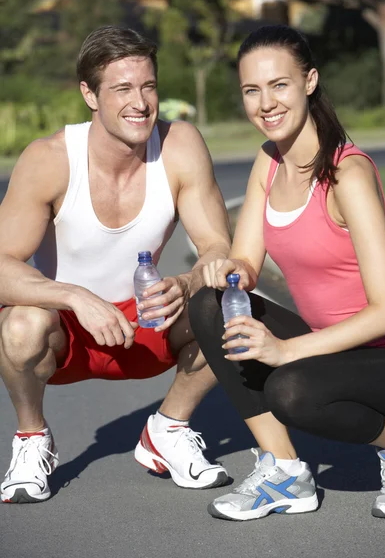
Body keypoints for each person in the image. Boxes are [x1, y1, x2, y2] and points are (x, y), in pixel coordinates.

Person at [0, 25, 232, 504]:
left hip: (148, 325)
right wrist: (72, 295)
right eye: (122, 89)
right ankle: (31, 438)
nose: (140, 102)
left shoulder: (180, 145)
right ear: (89, 94)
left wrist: (187, 283)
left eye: (148, 86)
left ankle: (167, 429)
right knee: (20, 325)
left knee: (228, 303)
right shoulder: (49, 159)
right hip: (67, 335)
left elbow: (216, 247)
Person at [189, 24, 385, 521]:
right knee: (208, 302)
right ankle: (285, 471)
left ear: (309, 81)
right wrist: (228, 269)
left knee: (292, 389)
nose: (266, 103)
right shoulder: (269, 161)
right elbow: (247, 263)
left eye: (278, 85)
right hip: (331, 350)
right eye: (251, 90)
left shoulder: (348, 175)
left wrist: (285, 351)